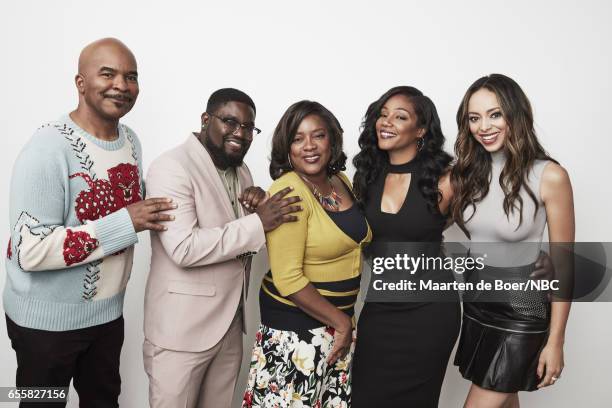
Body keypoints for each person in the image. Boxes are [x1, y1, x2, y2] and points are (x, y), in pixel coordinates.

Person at [4, 38, 174, 408]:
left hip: (107, 316)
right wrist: (125, 223)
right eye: (108, 74)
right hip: (44, 324)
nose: (122, 85)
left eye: (131, 77)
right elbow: (28, 250)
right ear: (81, 83)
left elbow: (139, 208)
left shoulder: (130, 139)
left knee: (104, 402)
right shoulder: (46, 149)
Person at [143, 88, 301, 408]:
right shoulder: (171, 167)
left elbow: (236, 238)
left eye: (248, 127)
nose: (240, 134)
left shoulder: (241, 171)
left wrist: (257, 208)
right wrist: (259, 222)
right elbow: (184, 248)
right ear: (206, 120)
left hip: (230, 326)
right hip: (182, 333)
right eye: (230, 122)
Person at [450, 74, 574, 407]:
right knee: (505, 401)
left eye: (495, 114)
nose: (483, 126)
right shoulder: (467, 174)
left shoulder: (549, 175)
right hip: (476, 302)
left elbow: (563, 263)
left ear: (514, 115)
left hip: (522, 308)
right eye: (474, 118)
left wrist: (556, 341)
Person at [242, 101, 371, 408]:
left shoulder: (341, 183)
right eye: (298, 139)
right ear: (286, 148)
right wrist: (342, 323)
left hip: (335, 329)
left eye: (318, 136)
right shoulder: (288, 193)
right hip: (296, 333)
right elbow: (288, 278)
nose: (309, 147)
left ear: (333, 140)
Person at [351, 86, 461, 407]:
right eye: (383, 115)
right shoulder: (365, 177)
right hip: (380, 311)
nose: (387, 122)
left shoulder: (446, 180)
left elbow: (496, 212)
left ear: (421, 129)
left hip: (430, 315)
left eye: (400, 116)